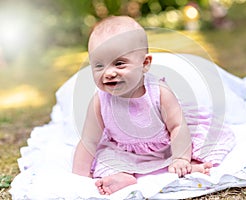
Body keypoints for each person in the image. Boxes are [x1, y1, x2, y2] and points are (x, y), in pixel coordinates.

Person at [72, 15, 235, 195]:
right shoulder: (99, 101)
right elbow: (89, 140)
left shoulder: (159, 92)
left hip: (169, 143)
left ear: (145, 64)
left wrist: (181, 157)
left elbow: (177, 126)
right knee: (106, 158)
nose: (109, 73)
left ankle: (191, 166)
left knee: (200, 141)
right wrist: (79, 177)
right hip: (127, 149)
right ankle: (122, 176)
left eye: (119, 63)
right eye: (99, 65)